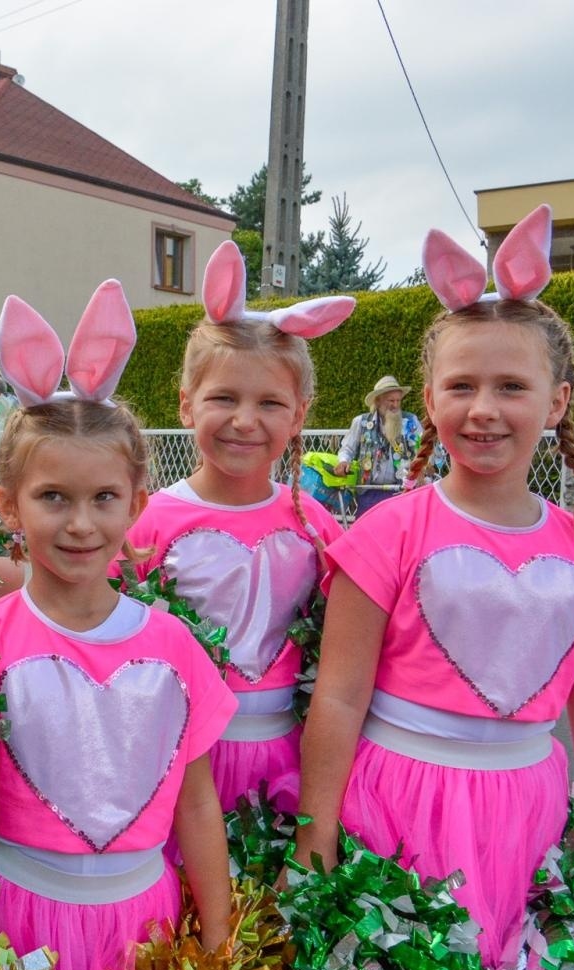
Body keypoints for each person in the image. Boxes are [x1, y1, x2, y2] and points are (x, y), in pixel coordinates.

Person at [295, 206, 574, 970]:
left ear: (557, 401)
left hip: (522, 812)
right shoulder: (386, 533)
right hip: (396, 805)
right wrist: (317, 822)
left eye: (511, 388)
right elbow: (338, 693)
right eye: (461, 387)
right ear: (429, 402)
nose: (483, 410)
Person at [0, 282, 236, 970]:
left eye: (103, 498)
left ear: (136, 505)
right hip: (11, 918)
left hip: (140, 925)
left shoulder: (176, 647)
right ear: (8, 505)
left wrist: (217, 945)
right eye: (53, 497)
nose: (80, 523)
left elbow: (196, 801)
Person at [128, 241, 352, 814]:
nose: (244, 421)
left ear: (300, 414)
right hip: (175, 764)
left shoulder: (318, 525)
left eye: (270, 403)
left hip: (288, 760)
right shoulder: (147, 521)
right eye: (223, 397)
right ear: (185, 405)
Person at [334, 374, 423, 512]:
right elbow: (347, 449)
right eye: (391, 400)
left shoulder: (411, 422)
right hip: (369, 493)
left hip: (402, 493)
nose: (395, 405)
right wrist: (344, 461)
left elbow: (423, 450)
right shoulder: (361, 422)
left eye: (398, 401)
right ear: (378, 401)